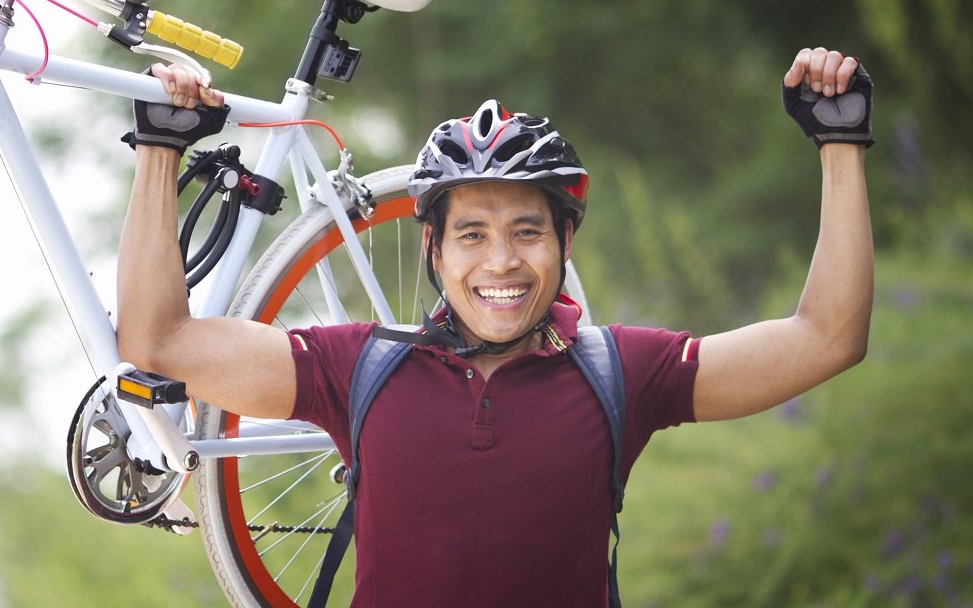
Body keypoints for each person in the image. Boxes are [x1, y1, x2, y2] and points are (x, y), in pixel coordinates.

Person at [116, 47, 874, 606]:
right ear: (433, 250)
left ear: (565, 243)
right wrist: (159, 148)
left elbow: (825, 339)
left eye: (527, 231)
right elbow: (159, 341)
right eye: (472, 235)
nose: (501, 263)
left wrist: (838, 144)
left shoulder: (623, 373)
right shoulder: (357, 368)